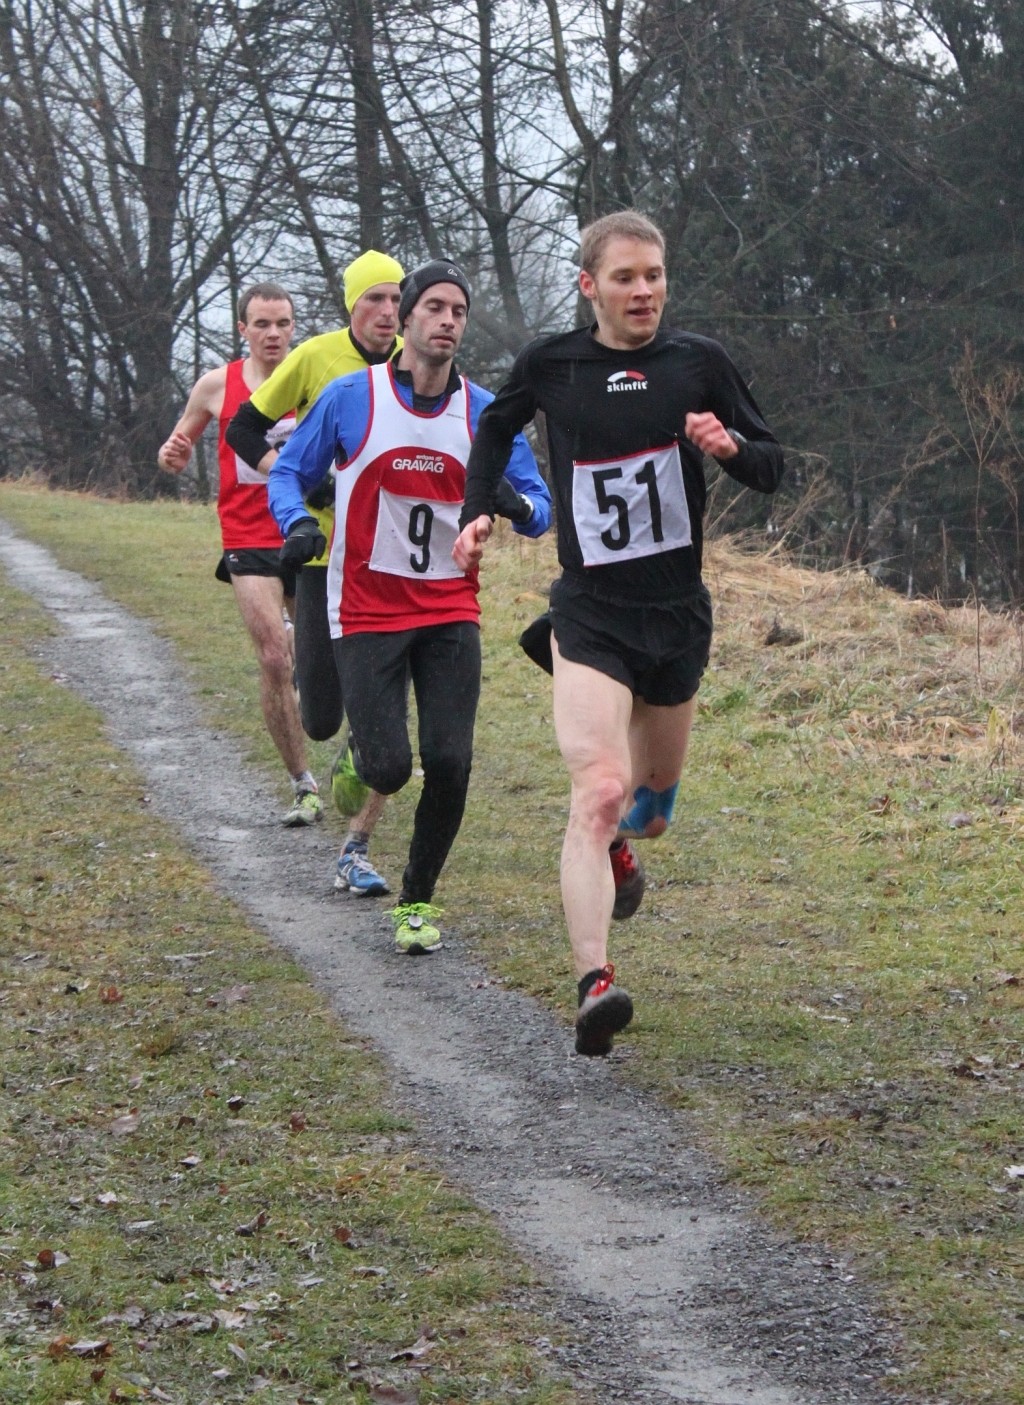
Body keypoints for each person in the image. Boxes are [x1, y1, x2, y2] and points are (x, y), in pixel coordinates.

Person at [453, 211, 785, 1056]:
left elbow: (773, 465)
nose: (644, 292)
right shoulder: (553, 365)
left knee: (650, 807)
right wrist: (476, 513)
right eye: (626, 277)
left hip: (674, 619)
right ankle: (594, 982)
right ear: (588, 285)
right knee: (599, 791)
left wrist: (730, 444)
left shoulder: (697, 363)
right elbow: (493, 426)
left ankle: (622, 854)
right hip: (590, 612)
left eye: (655, 276)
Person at [268, 259, 552, 952]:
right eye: (435, 308)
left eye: (459, 309)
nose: (448, 320)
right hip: (365, 609)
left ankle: (417, 902)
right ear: (407, 320)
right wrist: (297, 525)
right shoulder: (351, 398)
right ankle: (363, 751)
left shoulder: (485, 412)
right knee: (391, 766)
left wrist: (517, 505)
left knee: (451, 760)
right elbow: (287, 472)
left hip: (450, 608)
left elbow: (544, 509)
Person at [226, 251, 404, 897]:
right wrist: (297, 476)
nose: (387, 313)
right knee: (322, 714)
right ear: (351, 304)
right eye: (374, 299)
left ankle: (359, 834)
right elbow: (245, 427)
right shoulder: (316, 358)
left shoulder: (422, 361)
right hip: (322, 556)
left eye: (396, 300)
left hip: (392, 564)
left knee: (385, 708)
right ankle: (349, 740)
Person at [157, 281, 324, 828]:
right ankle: (303, 783)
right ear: (243, 329)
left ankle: (356, 757)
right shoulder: (216, 385)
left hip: (308, 530)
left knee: (320, 666)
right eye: (262, 324)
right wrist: (172, 454)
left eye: (283, 324)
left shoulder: (314, 378)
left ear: (294, 327)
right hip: (247, 536)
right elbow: (175, 449)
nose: (273, 334)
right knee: (274, 658)